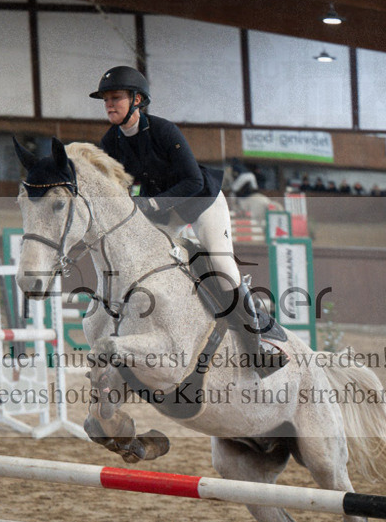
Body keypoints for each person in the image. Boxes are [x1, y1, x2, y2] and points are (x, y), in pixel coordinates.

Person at [90, 65, 274, 368]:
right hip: (162, 205)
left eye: (116, 98)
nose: (109, 104)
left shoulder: (163, 130)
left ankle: (258, 344)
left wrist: (150, 205)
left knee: (222, 263)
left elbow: (193, 182)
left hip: (202, 202)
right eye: (106, 99)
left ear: (137, 100)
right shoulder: (111, 141)